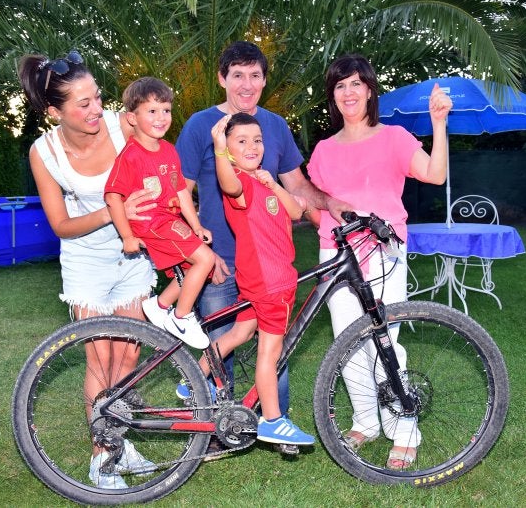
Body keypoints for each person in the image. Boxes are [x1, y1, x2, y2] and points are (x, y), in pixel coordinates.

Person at [176, 41, 351, 426]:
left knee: (273, 347)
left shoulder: (273, 127)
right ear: (222, 79)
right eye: (237, 75)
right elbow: (179, 194)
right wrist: (198, 253)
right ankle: (214, 430)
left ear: (264, 80)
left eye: (255, 75)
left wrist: (328, 203)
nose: (246, 84)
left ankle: (274, 422)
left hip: (269, 265)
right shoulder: (200, 126)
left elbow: (296, 186)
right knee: (222, 347)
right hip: (221, 261)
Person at [18, 50, 159, 489]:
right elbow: (60, 224)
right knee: (99, 357)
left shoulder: (122, 125)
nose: (97, 109)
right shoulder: (44, 153)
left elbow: (161, 157)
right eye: (83, 104)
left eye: (97, 97)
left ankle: (121, 441)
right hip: (85, 259)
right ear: (54, 111)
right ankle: (103, 457)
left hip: (133, 254)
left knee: (129, 352)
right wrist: (112, 211)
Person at [307, 53, 453, 470]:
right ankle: (366, 421)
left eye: (355, 84)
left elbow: (435, 174)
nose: (348, 92)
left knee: (384, 340)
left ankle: (404, 428)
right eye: (339, 86)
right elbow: (314, 204)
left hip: (383, 251)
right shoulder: (322, 149)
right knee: (347, 344)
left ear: (369, 90)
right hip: (335, 254)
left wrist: (439, 124)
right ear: (332, 97)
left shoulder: (394, 137)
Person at [200, 112, 315, 445]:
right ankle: (273, 420)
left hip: (264, 280)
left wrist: (273, 183)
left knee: (240, 331)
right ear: (228, 149)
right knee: (269, 352)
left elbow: (295, 212)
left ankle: (194, 377)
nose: (252, 146)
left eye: (257, 140)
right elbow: (228, 183)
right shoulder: (239, 182)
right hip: (271, 282)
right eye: (241, 141)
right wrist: (220, 150)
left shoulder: (261, 181)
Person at [104, 77, 215, 349]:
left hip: (168, 220)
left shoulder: (168, 150)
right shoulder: (130, 155)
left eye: (165, 110)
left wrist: (196, 225)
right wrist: (127, 236)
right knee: (206, 259)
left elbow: (181, 192)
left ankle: (161, 304)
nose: (161, 117)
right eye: (152, 111)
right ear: (132, 117)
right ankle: (181, 317)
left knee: (195, 267)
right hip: (150, 222)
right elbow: (112, 196)